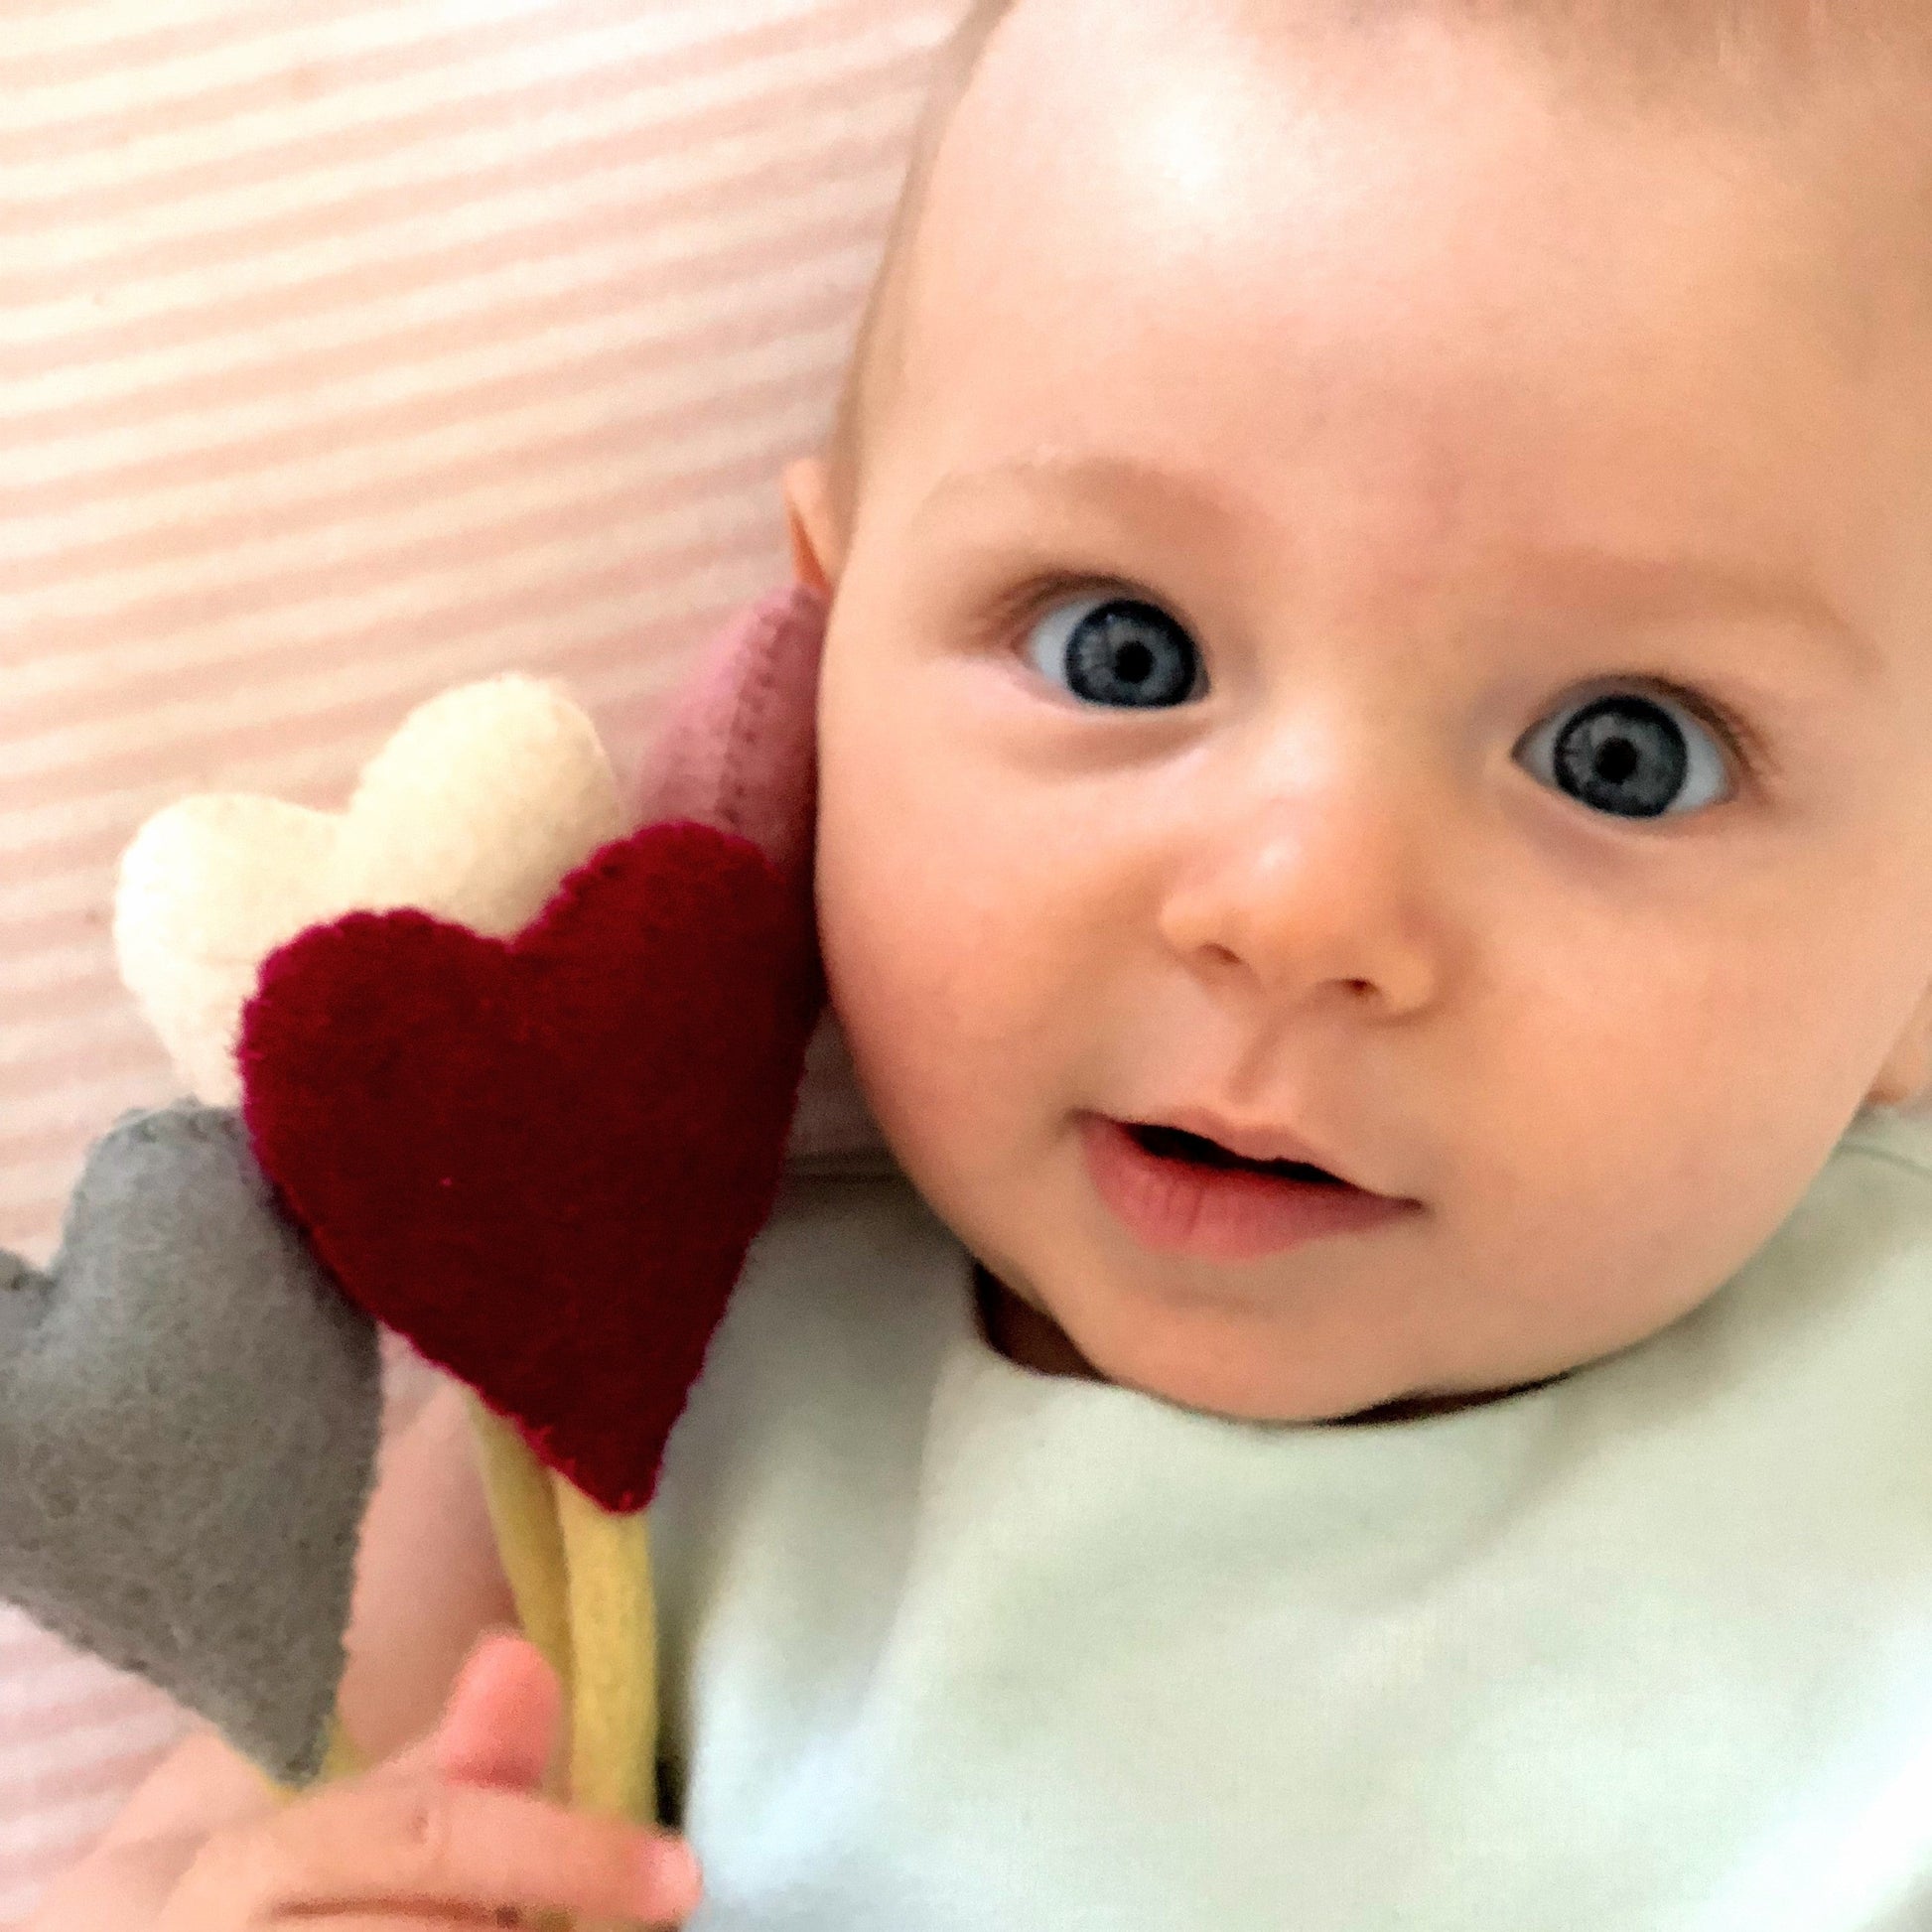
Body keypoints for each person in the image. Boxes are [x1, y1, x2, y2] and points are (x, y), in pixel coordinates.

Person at [27, 0, 1932, 1922]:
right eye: (1123, 648)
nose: (1294, 909)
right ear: (827, 659)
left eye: (1626, 756)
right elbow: (187, 1851)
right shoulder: (643, 1399)